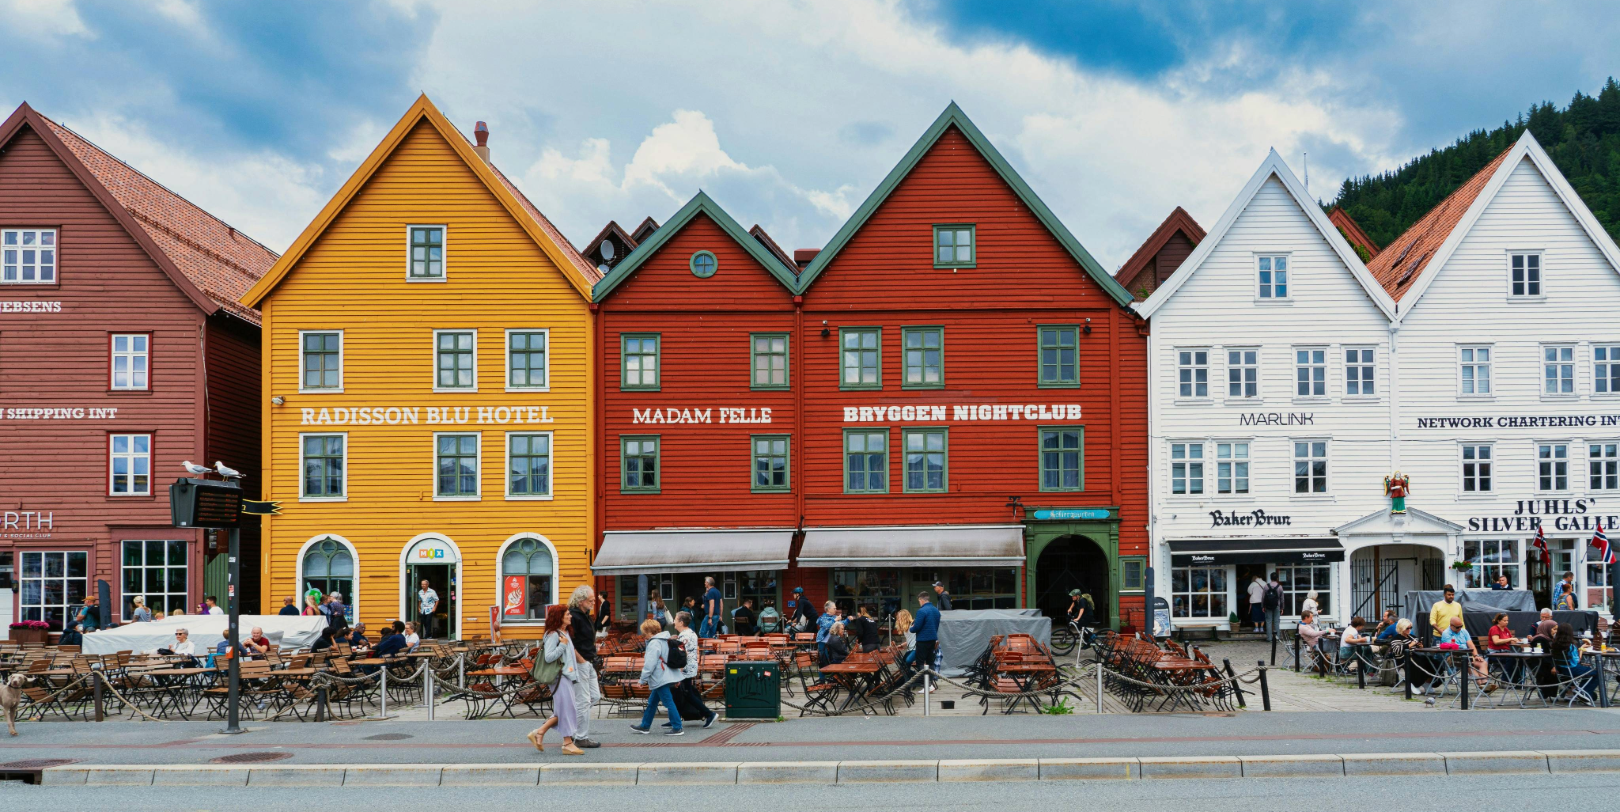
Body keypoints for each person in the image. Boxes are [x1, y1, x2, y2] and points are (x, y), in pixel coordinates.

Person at [527, 604, 586, 755]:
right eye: (567, 614)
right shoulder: (553, 634)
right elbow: (549, 657)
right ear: (559, 616)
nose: (570, 616)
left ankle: (539, 733)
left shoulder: (564, 632)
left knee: (563, 710)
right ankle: (567, 743)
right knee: (567, 709)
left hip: (566, 676)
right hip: (559, 677)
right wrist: (562, 646)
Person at [630, 618, 685, 736]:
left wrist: (642, 680)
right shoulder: (666, 640)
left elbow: (650, 664)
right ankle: (645, 725)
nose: (643, 635)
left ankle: (677, 727)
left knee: (668, 702)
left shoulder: (654, 643)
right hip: (668, 675)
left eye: (644, 632)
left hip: (660, 677)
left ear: (649, 632)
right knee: (653, 702)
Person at [664, 610, 717, 729]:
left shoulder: (684, 636)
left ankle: (709, 714)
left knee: (685, 694)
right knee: (683, 693)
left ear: (681, 622)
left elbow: (682, 655)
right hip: (690, 667)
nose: (674, 622)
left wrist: (679, 671)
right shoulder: (690, 633)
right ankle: (675, 718)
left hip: (685, 669)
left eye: (676, 620)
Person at [568, 585, 603, 749]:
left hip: (588, 661)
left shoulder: (585, 615)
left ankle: (566, 719)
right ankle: (581, 737)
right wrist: (581, 660)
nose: (594, 602)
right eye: (591, 600)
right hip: (580, 662)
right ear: (581, 601)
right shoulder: (573, 616)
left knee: (595, 696)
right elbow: (569, 642)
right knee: (583, 700)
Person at [1439, 615, 1490, 690]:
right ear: (1451, 625)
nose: (1460, 628)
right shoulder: (1446, 633)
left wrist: (1476, 655)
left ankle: (1485, 683)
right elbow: (1453, 648)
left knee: (1483, 662)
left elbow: (1471, 644)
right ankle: (1482, 685)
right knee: (1467, 663)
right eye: (1457, 627)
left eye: (1461, 626)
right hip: (1452, 657)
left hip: (1467, 656)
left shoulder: (1464, 631)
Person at [1553, 622, 1597, 700]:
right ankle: (1584, 692)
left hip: (1561, 670)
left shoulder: (1554, 644)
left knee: (1587, 672)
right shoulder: (1571, 646)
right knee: (1597, 673)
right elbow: (1577, 661)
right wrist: (1581, 650)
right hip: (1572, 669)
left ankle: (1580, 691)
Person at [910, 591, 941, 692]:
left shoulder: (921, 611)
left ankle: (926, 685)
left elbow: (917, 627)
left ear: (921, 600)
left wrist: (911, 628)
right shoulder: (936, 610)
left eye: (919, 600)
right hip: (933, 639)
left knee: (920, 662)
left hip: (922, 640)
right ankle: (930, 684)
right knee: (930, 662)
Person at [1486, 612, 1522, 683]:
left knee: (1520, 659)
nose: (1506, 622)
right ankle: (1504, 680)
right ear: (1499, 621)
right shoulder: (1494, 628)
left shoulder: (1506, 629)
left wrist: (1518, 641)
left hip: (1505, 652)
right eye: (1504, 620)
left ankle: (1516, 680)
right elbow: (1496, 641)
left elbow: (1511, 641)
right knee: (1511, 659)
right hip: (1495, 653)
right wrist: (1510, 639)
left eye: (1507, 620)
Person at [816, 601, 839, 666]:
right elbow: (826, 626)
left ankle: (833, 675)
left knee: (833, 659)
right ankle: (822, 676)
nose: (836, 610)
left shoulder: (835, 617)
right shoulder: (822, 618)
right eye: (834, 608)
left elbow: (841, 624)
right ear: (829, 609)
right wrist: (835, 620)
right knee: (823, 659)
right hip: (823, 641)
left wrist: (848, 620)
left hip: (832, 641)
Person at [1263, 573, 1284, 642]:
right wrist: (1282, 607)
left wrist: (1263, 606)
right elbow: (1282, 599)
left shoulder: (1266, 586)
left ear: (1270, 578)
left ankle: (1269, 638)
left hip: (1268, 606)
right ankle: (1277, 637)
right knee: (1276, 621)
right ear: (1277, 578)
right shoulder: (1280, 587)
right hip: (1276, 606)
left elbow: (1263, 597)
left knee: (1268, 621)